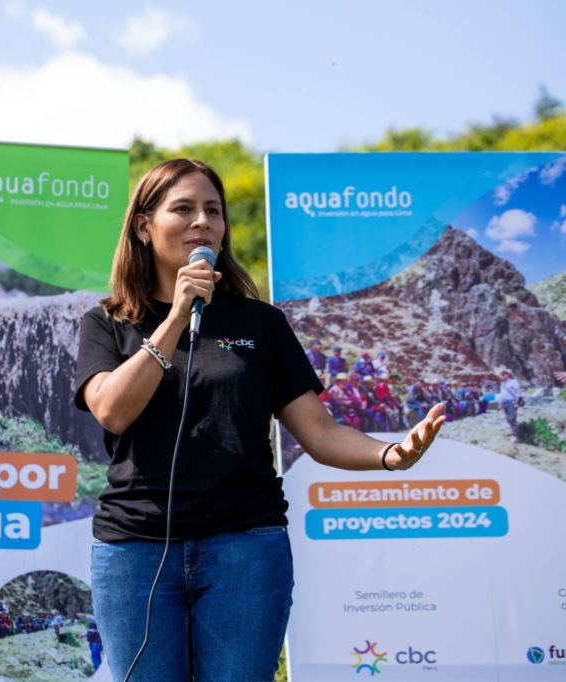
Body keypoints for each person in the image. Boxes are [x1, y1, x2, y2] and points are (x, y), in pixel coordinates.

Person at [74, 159, 445, 682]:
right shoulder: (108, 322)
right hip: (135, 552)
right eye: (183, 208)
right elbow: (112, 411)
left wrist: (389, 454)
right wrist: (177, 318)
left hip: (244, 549)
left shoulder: (260, 322)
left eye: (214, 211)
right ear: (143, 225)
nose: (203, 222)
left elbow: (319, 431)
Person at [497, 368, 523, 441]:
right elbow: (501, 394)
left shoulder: (514, 382)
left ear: (509, 375)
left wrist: (516, 403)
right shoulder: (503, 383)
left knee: (511, 418)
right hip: (505, 402)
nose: (504, 375)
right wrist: (500, 404)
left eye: (505, 374)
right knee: (508, 419)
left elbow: (518, 393)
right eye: (503, 374)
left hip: (511, 402)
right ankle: (514, 433)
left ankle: (516, 435)